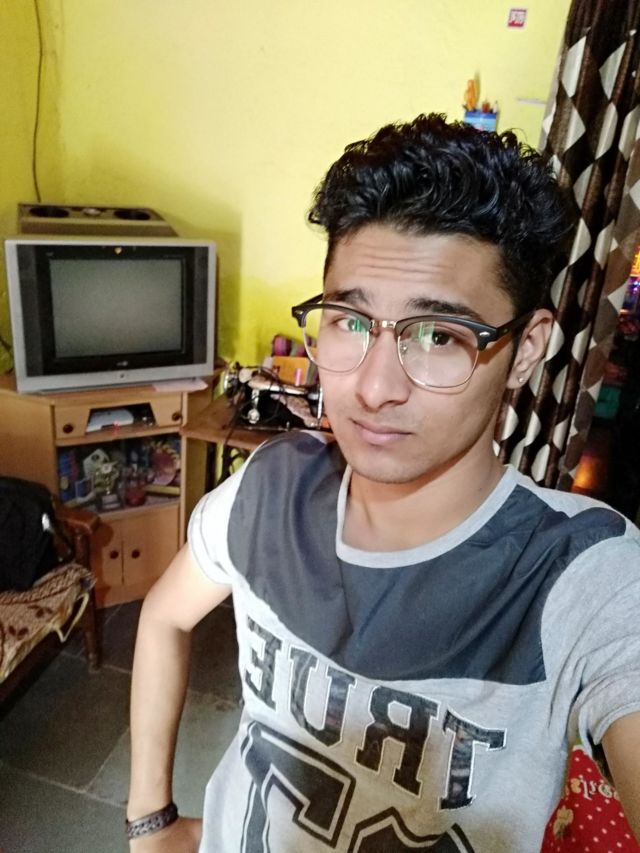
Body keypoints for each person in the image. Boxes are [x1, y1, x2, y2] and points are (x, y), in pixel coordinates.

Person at [127, 114, 640, 852]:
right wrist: (150, 824)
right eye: (351, 321)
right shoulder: (270, 486)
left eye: (439, 335)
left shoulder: (580, 575)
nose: (373, 388)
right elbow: (164, 616)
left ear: (526, 349)